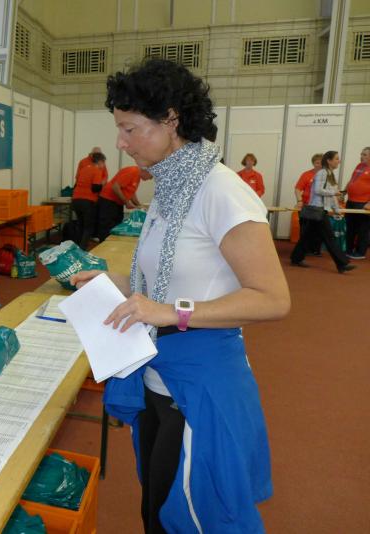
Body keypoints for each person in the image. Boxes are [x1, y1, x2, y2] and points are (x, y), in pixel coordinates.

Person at [71, 59, 290, 533]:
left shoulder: (221, 191)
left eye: (129, 129)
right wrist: (117, 283)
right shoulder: (170, 187)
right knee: (156, 512)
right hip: (158, 375)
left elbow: (273, 299)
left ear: (170, 120)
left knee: (190, 519)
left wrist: (170, 311)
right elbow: (172, 278)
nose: (120, 142)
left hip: (198, 387)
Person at [291, 151, 355, 273]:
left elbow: (333, 195)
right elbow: (318, 190)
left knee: (307, 236)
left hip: (320, 210)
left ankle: (296, 258)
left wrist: (336, 209)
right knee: (329, 237)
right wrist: (334, 193)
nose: (339, 161)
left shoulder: (330, 174)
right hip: (318, 209)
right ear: (329, 161)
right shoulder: (322, 173)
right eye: (336, 159)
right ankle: (342, 264)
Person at [96, 165, 152, 242]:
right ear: (147, 171)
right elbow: (115, 187)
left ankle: (113, 244)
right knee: (107, 226)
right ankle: (105, 245)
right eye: (151, 176)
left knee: (117, 223)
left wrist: (139, 205)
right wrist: (126, 202)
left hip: (117, 202)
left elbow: (131, 192)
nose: (150, 179)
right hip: (108, 200)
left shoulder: (137, 176)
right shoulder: (133, 171)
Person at [71, 152, 107, 248]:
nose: (104, 165)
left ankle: (76, 247)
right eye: (104, 163)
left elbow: (76, 184)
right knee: (88, 227)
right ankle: (82, 249)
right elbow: (95, 188)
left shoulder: (84, 169)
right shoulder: (97, 171)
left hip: (76, 200)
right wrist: (102, 184)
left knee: (80, 224)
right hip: (87, 201)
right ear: (100, 161)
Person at [294, 153, 324, 256]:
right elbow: (298, 189)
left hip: (320, 207)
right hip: (306, 206)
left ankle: (316, 250)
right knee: (305, 229)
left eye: (321, 163)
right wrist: (299, 201)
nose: (319, 165)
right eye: (317, 163)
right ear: (313, 163)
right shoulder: (306, 175)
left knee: (319, 229)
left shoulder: (327, 176)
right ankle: (303, 250)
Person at [345, 147, 370, 259]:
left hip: (363, 204)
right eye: (361, 154)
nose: (361, 156)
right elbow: (352, 180)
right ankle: (349, 250)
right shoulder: (359, 166)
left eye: (364, 155)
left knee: (362, 229)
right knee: (350, 227)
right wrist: (343, 192)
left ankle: (360, 253)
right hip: (351, 201)